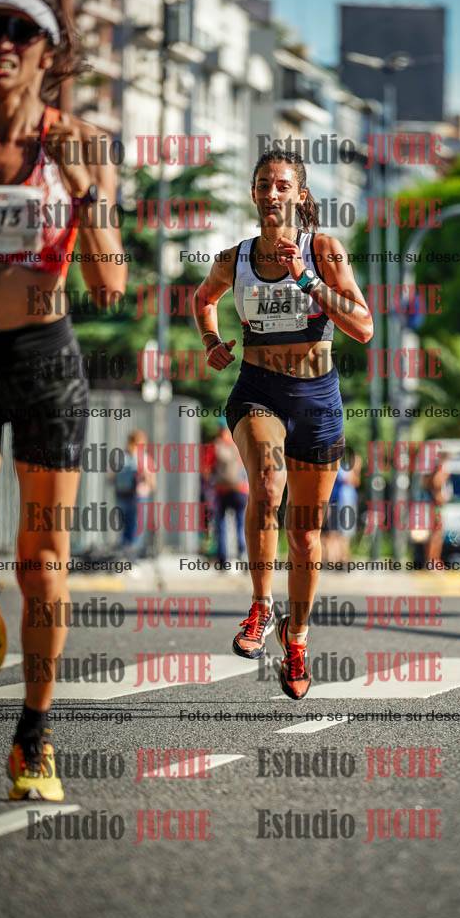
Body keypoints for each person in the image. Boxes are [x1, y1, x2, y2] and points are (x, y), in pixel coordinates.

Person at [0, 0, 126, 799]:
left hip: (44, 363)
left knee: (42, 566)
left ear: (48, 52)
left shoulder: (82, 142)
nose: (2, 43)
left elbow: (110, 284)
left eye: (20, 31)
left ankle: (33, 737)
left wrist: (84, 190)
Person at [192, 149, 372, 698]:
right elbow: (203, 298)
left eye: (282, 185)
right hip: (258, 392)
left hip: (316, 399)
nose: (272, 193)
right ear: (254, 194)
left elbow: (364, 326)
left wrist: (307, 280)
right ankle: (260, 606)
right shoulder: (236, 258)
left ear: (300, 195)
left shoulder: (323, 250)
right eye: (264, 184)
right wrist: (211, 341)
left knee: (306, 535)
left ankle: (297, 638)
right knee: (268, 486)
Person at [209, 416, 248, 564]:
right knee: (240, 523)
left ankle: (223, 558)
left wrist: (213, 482)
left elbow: (207, 469)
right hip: (240, 490)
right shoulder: (240, 444)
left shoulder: (215, 446)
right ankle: (242, 554)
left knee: (221, 524)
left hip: (222, 490)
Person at [113, 430, 155, 557]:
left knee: (125, 527)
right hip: (139, 497)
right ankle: (132, 556)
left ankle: (125, 554)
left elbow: (111, 477)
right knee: (136, 528)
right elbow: (152, 483)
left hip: (122, 495)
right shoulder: (144, 459)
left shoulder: (121, 458)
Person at [322, 452, 362, 565]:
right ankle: (335, 558)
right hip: (339, 503)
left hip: (347, 503)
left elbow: (356, 482)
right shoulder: (339, 468)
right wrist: (356, 469)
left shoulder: (344, 468)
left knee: (344, 533)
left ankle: (341, 558)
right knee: (335, 533)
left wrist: (356, 471)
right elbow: (349, 479)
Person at [423, 451, 450, 566]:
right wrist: (444, 475)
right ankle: (432, 560)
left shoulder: (436, 472)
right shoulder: (438, 472)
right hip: (436, 506)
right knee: (436, 535)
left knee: (437, 535)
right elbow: (436, 484)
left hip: (437, 506)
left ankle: (434, 560)